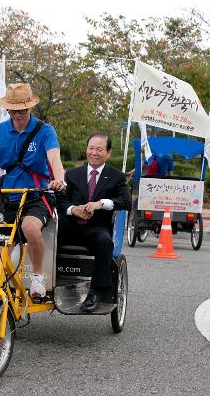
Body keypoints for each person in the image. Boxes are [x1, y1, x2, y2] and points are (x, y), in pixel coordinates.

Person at [0, 83, 66, 298]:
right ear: (7, 110)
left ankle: (38, 277)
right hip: (8, 196)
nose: (18, 114)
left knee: (30, 228)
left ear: (30, 108)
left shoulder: (45, 131)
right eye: (13, 109)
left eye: (23, 109)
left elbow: (54, 159)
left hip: (37, 194)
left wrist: (59, 180)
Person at [57, 133, 131, 312]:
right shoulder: (72, 174)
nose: (94, 153)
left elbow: (126, 201)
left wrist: (101, 204)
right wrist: (73, 209)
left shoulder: (117, 177)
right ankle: (44, 279)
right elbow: (59, 201)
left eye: (99, 149)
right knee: (44, 231)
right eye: (91, 148)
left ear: (108, 153)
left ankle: (96, 292)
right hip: (70, 225)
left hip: (96, 228)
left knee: (104, 241)